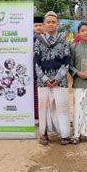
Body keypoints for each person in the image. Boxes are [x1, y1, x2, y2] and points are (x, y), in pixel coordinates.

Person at [34, 11, 71, 146]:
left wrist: (57, 78)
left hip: (60, 81)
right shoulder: (39, 41)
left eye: (53, 22)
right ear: (44, 24)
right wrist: (44, 78)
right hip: (43, 82)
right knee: (44, 108)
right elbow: (36, 62)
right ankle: (44, 134)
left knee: (62, 108)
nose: (51, 24)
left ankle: (65, 134)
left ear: (57, 24)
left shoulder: (63, 40)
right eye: (48, 22)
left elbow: (67, 60)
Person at [33, 15, 44, 120]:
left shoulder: (46, 39)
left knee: (40, 96)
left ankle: (40, 116)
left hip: (43, 72)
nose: (38, 27)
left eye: (40, 25)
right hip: (32, 71)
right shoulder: (29, 39)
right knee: (33, 96)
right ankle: (35, 115)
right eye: (36, 25)